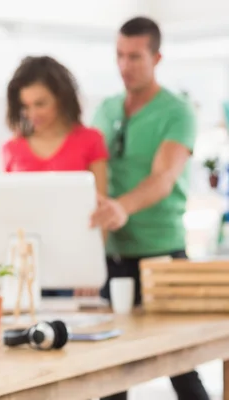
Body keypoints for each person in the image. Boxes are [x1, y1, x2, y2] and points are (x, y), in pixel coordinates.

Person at [90, 17, 209, 400]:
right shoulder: (106, 109)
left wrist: (122, 207)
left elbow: (164, 177)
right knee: (110, 374)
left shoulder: (178, 111)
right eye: (120, 56)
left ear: (157, 57)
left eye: (136, 57)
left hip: (162, 257)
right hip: (112, 258)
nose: (126, 66)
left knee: (180, 367)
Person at [2, 55, 108, 297]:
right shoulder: (12, 148)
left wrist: (88, 270)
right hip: (27, 272)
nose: (32, 113)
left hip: (75, 267)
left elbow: (100, 210)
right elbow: (10, 215)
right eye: (25, 106)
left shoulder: (90, 141)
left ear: (61, 99)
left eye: (40, 103)